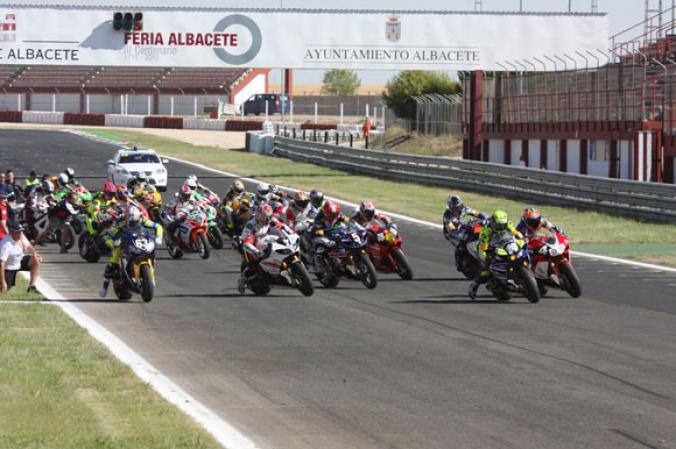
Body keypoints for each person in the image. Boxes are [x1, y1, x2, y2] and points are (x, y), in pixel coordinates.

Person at [100, 205, 162, 297]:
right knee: (114, 261)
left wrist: (158, 238)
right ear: (126, 217)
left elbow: (158, 226)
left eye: (135, 219)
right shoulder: (120, 222)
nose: (134, 221)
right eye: (131, 219)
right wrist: (112, 243)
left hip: (138, 241)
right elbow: (109, 235)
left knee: (151, 251)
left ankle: (150, 276)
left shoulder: (142, 220)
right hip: (124, 242)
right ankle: (104, 286)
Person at [468, 210, 524, 299]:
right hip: (490, 247)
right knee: (487, 266)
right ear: (493, 223)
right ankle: (474, 286)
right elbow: (483, 248)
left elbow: (515, 232)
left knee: (522, 250)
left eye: (503, 225)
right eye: (499, 225)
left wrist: (520, 236)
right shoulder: (485, 231)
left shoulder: (507, 223)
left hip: (506, 243)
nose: (501, 227)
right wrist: (488, 253)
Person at [237, 202, 290, 294]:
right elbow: (246, 242)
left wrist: (290, 234)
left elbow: (282, 227)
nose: (268, 219)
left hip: (265, 238)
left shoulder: (270, 219)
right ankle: (243, 280)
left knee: (280, 240)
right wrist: (256, 251)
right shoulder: (251, 225)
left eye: (269, 217)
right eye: (265, 217)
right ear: (259, 216)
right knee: (253, 262)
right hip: (252, 244)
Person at [0, 222, 41, 293]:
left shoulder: (21, 236)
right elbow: (1, 264)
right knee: (4, 290)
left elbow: (29, 246)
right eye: (18, 232)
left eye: (21, 231)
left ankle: (31, 287)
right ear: (11, 232)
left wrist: (35, 254)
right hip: (8, 268)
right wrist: (3, 282)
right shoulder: (6, 244)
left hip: (18, 262)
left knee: (36, 259)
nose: (20, 233)